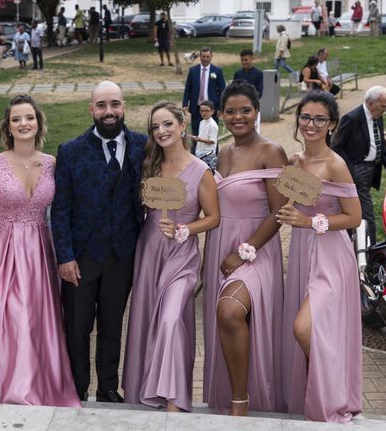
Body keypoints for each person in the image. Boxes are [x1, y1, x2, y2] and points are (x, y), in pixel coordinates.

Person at [0, 95, 80, 407]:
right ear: (8, 127)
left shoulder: (52, 163)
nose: (23, 124)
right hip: (2, 252)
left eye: (29, 118)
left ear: (38, 123)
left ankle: (36, 385)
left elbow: (65, 210)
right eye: (16, 119)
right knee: (8, 316)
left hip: (38, 251)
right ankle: (11, 392)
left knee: (35, 320)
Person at [51, 81, 147, 403]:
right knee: (77, 329)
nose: (109, 112)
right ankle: (76, 388)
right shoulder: (70, 150)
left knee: (111, 326)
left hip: (122, 254)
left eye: (115, 104)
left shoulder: (142, 145)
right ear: (91, 109)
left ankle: (108, 388)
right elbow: (60, 209)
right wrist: (64, 257)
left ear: (124, 107)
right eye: (102, 105)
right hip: (81, 257)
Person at [123, 101, 220, 412]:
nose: (161, 131)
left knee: (171, 319)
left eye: (167, 124)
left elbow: (214, 217)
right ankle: (144, 390)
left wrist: (184, 229)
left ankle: (175, 401)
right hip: (150, 250)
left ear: (182, 126)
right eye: (155, 127)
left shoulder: (201, 170)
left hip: (181, 254)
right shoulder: (149, 165)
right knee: (146, 320)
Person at [203, 81, 288, 416]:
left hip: (257, 248)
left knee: (230, 312)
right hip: (220, 247)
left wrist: (245, 250)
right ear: (222, 114)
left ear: (256, 112)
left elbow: (279, 212)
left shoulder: (271, 151)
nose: (238, 117)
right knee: (226, 320)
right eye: (231, 111)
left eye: (245, 110)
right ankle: (232, 394)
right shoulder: (223, 152)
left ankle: (241, 400)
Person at [277, 91, 362, 422]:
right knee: (311, 330)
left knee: (304, 327)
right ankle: (316, 395)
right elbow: (288, 204)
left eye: (319, 119)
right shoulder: (296, 160)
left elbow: (353, 217)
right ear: (298, 120)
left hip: (330, 255)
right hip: (301, 251)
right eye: (305, 117)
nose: (311, 124)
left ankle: (333, 395)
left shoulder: (335, 164)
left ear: (332, 125)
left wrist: (311, 221)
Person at [331, 86, 386, 245]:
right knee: (367, 212)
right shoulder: (352, 118)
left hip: (371, 170)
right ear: (370, 102)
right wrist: (350, 170)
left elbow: (381, 143)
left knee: (352, 208)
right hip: (357, 170)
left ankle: (348, 240)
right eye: (383, 106)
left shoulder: (378, 116)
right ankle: (371, 250)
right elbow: (336, 147)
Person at [182, 46, 226, 138]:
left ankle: (213, 152)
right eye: (203, 57)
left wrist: (220, 108)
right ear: (200, 57)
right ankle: (195, 152)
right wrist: (185, 103)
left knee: (211, 135)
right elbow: (188, 88)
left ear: (211, 57)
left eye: (207, 57)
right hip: (196, 107)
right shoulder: (193, 70)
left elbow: (223, 91)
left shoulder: (217, 71)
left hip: (211, 109)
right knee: (196, 133)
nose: (205, 59)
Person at [190, 100, 219, 170]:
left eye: (206, 111)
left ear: (212, 111)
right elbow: (202, 136)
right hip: (199, 152)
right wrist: (194, 137)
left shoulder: (213, 125)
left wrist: (200, 140)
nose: (204, 113)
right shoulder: (202, 122)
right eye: (201, 111)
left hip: (208, 155)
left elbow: (212, 141)